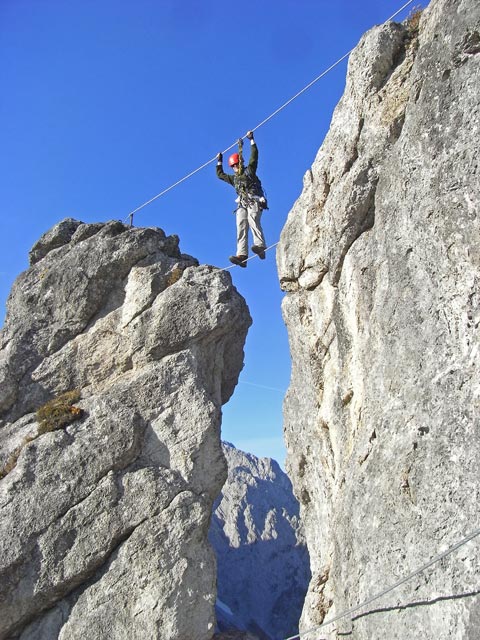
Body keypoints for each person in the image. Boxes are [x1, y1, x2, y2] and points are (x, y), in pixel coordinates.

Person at [216, 130, 267, 267]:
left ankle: (260, 246)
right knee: (241, 225)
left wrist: (252, 140)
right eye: (233, 166)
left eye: (236, 165)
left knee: (253, 219)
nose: (234, 168)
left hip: (254, 198)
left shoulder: (249, 170)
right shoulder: (234, 179)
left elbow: (254, 156)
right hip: (243, 203)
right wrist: (219, 161)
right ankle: (242, 255)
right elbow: (220, 175)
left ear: (241, 163)